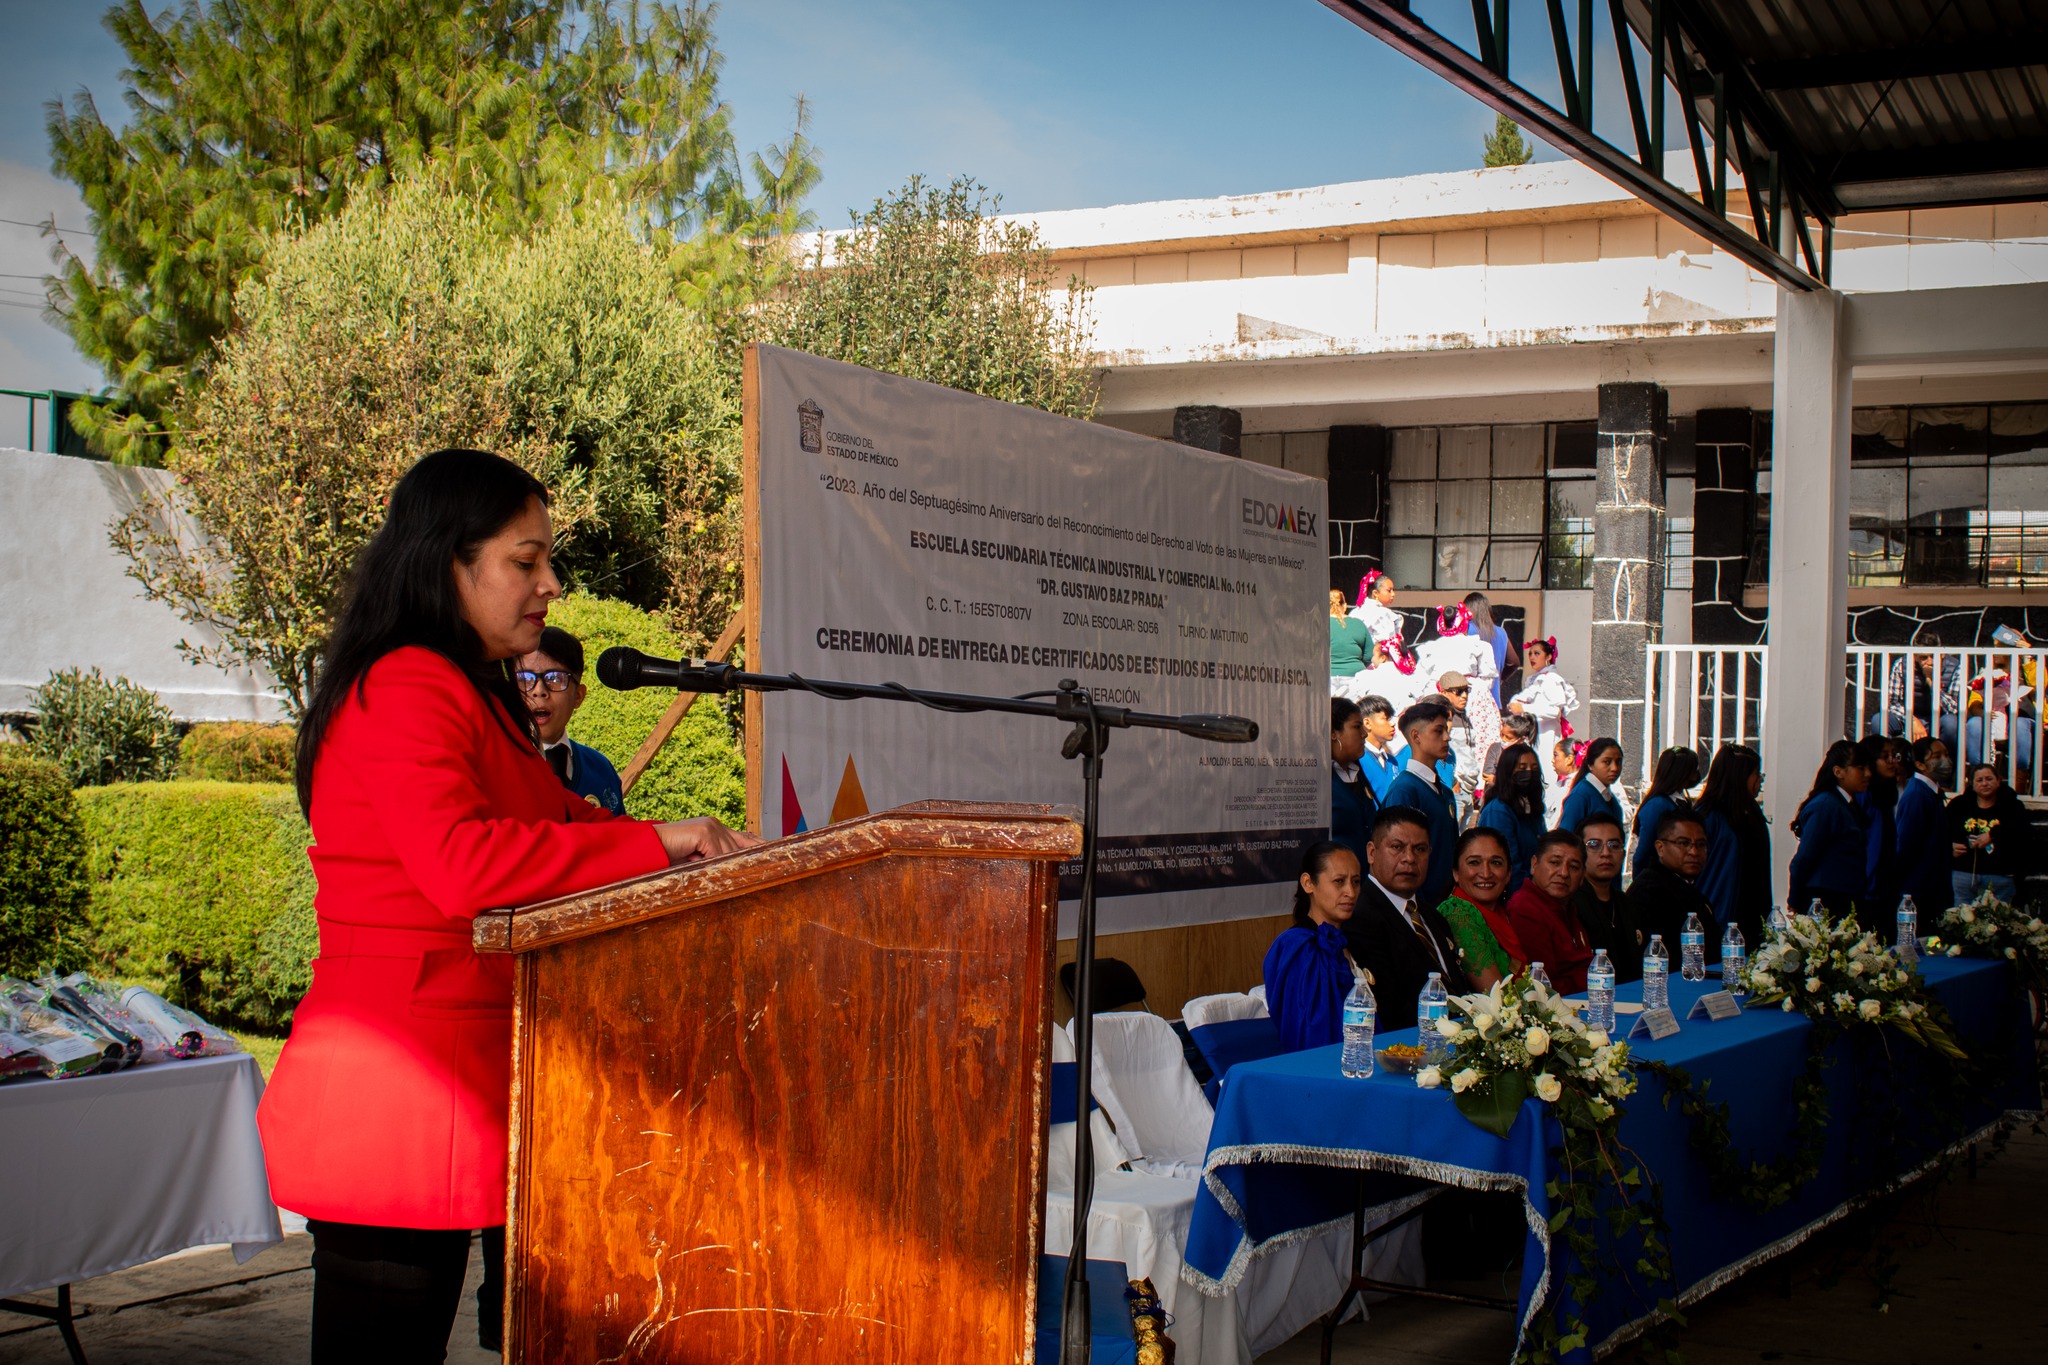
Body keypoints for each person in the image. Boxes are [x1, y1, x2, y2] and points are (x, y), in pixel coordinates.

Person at [259, 449, 760, 1362]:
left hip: (459, 1084)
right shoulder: (409, 682)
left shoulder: (471, 686)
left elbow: (561, 820)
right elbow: (460, 863)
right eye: (525, 562)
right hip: (398, 1089)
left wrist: (689, 843)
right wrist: (658, 844)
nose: (550, 585)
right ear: (448, 562)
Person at [1342, 806, 1472, 1030]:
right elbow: (1390, 1009)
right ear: (1371, 853)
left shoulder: (1432, 916)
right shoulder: (1360, 918)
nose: (1409, 858)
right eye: (1397, 847)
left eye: (1420, 849)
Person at [1263, 842, 1364, 1052]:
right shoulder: (1299, 948)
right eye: (1339, 882)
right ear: (1308, 883)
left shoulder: (1349, 940)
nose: (1351, 892)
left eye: (1355, 882)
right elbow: (1308, 1033)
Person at [518, 625, 625, 814]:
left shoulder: (600, 769)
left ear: (578, 696)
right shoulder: (496, 768)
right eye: (525, 679)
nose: (539, 690)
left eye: (555, 678)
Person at [1384, 699, 1460, 909]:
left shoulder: (1444, 791)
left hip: (1448, 901)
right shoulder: (1405, 790)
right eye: (1438, 731)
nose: (1447, 737)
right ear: (1416, 736)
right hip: (1420, 905)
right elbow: (1397, 855)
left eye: (1446, 730)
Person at [1694, 744, 1770, 949]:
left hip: (1750, 915)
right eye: (1756, 774)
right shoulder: (1710, 815)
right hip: (1720, 916)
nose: (1759, 781)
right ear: (1740, 776)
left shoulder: (1751, 812)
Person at [1786, 740, 1872, 915]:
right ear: (1838, 771)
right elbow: (1803, 859)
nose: (1868, 774)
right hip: (1826, 900)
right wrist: (1794, 900)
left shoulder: (1846, 804)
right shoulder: (1826, 806)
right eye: (1860, 768)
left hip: (1842, 897)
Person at [1432, 828, 1524, 991]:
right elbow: (1495, 995)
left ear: (1508, 873)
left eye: (1496, 863)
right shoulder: (1457, 912)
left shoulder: (1502, 913)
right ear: (1456, 873)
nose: (1486, 873)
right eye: (1474, 862)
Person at [1504, 830, 1594, 994]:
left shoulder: (1568, 907)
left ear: (1582, 877)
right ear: (1534, 864)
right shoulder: (1525, 909)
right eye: (1554, 862)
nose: (1564, 873)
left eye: (1573, 867)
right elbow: (1545, 986)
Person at [1626, 811, 1716, 962]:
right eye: (1683, 843)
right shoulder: (1648, 892)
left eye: (1700, 845)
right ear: (1660, 848)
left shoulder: (1689, 889)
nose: (1694, 852)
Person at [1571, 813, 1640, 983]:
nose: (1606, 853)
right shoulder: (1571, 903)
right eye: (1594, 845)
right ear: (1579, 852)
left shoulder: (1626, 902)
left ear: (1623, 853)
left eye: (1614, 845)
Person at [1948, 763, 2031, 904]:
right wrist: (1949, 847)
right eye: (1979, 780)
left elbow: (2021, 833)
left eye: (1989, 779)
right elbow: (1943, 832)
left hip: (2000, 875)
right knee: (1960, 917)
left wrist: (1993, 835)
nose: (1985, 784)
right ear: (1972, 784)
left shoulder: (2012, 806)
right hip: (1964, 873)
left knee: (1998, 919)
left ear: (1998, 781)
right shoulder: (1959, 805)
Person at [1476, 742, 1546, 897]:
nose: (1529, 772)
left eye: (1534, 768)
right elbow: (1510, 863)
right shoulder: (1499, 811)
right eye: (1522, 768)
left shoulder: (1531, 808)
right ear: (1508, 771)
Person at [1894, 737, 1954, 911]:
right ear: (1920, 764)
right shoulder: (1917, 795)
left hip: (1933, 886)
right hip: (1920, 889)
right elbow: (1906, 844)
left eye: (1946, 754)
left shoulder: (1931, 793)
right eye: (1936, 756)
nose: (1945, 761)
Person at [1629, 747, 1700, 877]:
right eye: (1693, 769)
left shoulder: (1681, 801)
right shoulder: (1657, 806)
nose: (1697, 775)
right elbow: (1643, 853)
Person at [1506, 635, 1578, 762]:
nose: (1532, 657)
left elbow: (1554, 711)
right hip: (1534, 733)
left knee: (1544, 767)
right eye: (1530, 654)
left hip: (1547, 735)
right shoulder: (1535, 679)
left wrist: (1524, 708)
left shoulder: (1551, 679)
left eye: (1537, 653)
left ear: (1549, 657)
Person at [1853, 734, 1903, 916]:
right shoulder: (1863, 795)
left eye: (1894, 755)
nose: (1892, 761)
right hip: (1867, 889)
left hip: (1885, 884)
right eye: (1884, 757)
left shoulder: (1886, 795)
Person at [1329, 696, 1378, 864]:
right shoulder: (1319, 781)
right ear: (1333, 733)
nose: (1364, 733)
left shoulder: (1358, 774)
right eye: (1357, 727)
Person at [1462, 591, 1519, 709]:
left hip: (1468, 702)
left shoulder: (1466, 630)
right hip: (1493, 703)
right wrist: (1500, 678)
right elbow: (1514, 662)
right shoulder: (1501, 633)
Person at [1558, 737, 1626, 837]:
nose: (1614, 768)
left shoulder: (1609, 797)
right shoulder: (1580, 796)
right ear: (1590, 764)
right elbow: (1566, 837)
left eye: (1618, 762)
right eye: (1607, 762)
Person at [1437, 670, 1483, 815]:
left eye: (1466, 690)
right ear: (1444, 693)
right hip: (1455, 788)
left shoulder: (1465, 717)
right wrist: (1453, 781)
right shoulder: (1442, 721)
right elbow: (1435, 753)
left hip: (1469, 788)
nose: (1464, 696)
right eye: (1458, 691)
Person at [1349, 569, 1410, 673]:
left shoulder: (1355, 612)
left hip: (1353, 663)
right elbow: (1388, 645)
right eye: (1389, 590)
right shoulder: (1383, 614)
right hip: (1377, 666)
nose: (1393, 594)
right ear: (1375, 593)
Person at [1356, 693, 1403, 801]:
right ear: (1367, 723)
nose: (1392, 724)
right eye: (1386, 718)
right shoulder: (1358, 760)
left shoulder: (1392, 761)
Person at [1329, 588, 1372, 684]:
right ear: (1344, 606)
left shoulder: (1318, 624)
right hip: (1356, 677)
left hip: (1326, 677)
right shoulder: (1358, 624)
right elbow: (1368, 655)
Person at [1545, 738, 1575, 828]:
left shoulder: (1578, 786)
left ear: (1569, 759)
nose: (1553, 760)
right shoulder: (1559, 786)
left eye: (1556, 755)